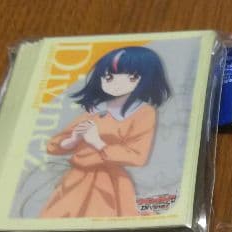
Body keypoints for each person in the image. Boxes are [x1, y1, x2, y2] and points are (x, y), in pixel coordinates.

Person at [41, 46, 170, 218]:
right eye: (107, 76)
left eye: (133, 76)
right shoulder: (96, 109)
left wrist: (98, 142)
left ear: (142, 78)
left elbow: (138, 156)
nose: (110, 81)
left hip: (109, 182)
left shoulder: (143, 112)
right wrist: (72, 140)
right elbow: (53, 145)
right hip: (75, 179)